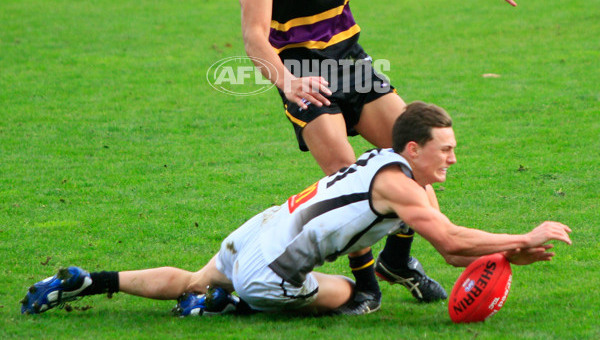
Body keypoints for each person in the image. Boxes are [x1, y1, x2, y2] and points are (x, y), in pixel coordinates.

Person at [239, 0, 534, 313]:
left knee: (411, 161)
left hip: (352, 63)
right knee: (346, 179)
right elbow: (255, 37)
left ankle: (396, 261)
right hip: (304, 76)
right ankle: (366, 287)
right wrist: (286, 82)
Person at [21, 102, 572, 317]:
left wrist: (511, 251)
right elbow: (451, 243)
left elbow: (454, 252)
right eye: (444, 149)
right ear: (412, 150)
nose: (453, 157)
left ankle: (86, 281)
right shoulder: (404, 190)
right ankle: (225, 305)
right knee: (350, 295)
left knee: (190, 276)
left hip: (260, 226)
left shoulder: (385, 163)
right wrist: (522, 234)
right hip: (274, 268)